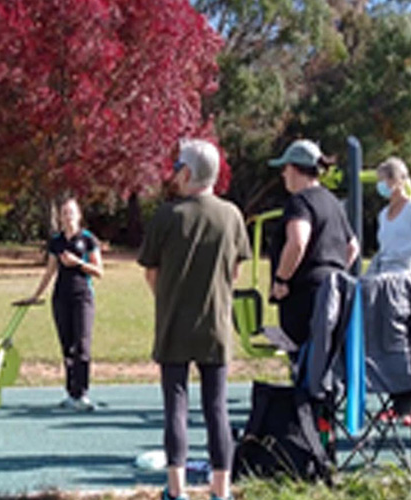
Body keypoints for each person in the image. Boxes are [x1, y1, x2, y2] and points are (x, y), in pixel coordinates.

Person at [138, 139, 250, 500]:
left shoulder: (167, 216)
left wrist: (170, 298)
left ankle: (177, 489)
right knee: (217, 408)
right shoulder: (231, 215)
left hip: (173, 323)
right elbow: (235, 271)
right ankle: (221, 488)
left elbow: (151, 273)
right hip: (215, 324)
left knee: (176, 405)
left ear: (186, 172)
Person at [267, 139, 359, 349]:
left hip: (305, 297)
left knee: (305, 361)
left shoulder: (300, 202)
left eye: (285, 168)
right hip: (335, 292)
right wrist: (336, 273)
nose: (283, 174)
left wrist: (281, 279)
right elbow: (352, 246)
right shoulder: (332, 202)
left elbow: (298, 241)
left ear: (294, 168)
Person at [370, 157, 411, 427]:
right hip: (387, 282)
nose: (381, 187)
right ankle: (399, 403)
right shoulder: (382, 216)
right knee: (393, 341)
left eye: (384, 181)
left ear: (396, 181)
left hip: (410, 279)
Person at [22, 196, 103, 411]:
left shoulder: (87, 239)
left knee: (82, 345)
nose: (68, 217)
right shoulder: (56, 241)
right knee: (67, 346)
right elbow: (50, 271)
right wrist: (36, 294)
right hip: (61, 297)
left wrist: (78, 263)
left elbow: (99, 271)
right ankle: (71, 393)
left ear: (79, 215)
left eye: (71, 213)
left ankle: (83, 393)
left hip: (82, 297)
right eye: (64, 213)